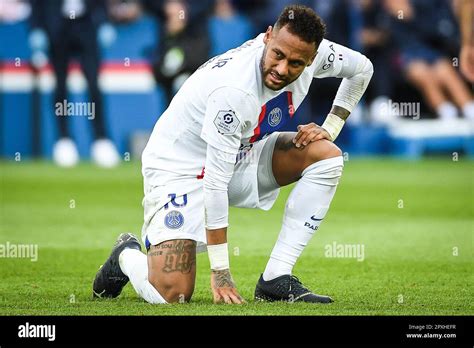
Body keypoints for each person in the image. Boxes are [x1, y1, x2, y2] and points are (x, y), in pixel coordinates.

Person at [93, 5, 373, 304]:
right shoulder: (234, 91)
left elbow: (363, 69)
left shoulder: (316, 55)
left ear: (312, 59)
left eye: (296, 63)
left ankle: (276, 279)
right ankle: (127, 255)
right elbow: (214, 183)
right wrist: (221, 271)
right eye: (278, 55)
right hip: (179, 169)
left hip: (242, 154)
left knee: (326, 156)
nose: (282, 69)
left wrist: (331, 127)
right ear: (267, 37)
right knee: (172, 294)